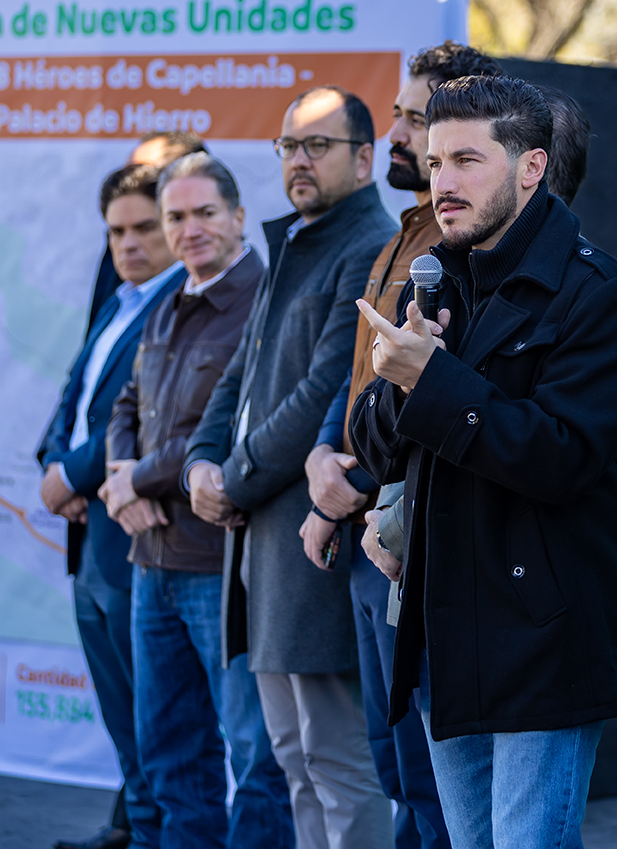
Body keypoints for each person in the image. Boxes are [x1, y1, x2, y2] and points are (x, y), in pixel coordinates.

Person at [349, 75, 617, 849]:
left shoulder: (606, 297)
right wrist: (399, 386)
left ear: (531, 167)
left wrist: (431, 381)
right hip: (445, 633)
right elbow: (375, 448)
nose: (443, 182)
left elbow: (561, 456)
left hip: (541, 641)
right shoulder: (437, 280)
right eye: (435, 162)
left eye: (467, 159)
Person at [182, 86, 396, 849]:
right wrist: (200, 465)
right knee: (293, 760)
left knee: (336, 766)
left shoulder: (370, 245)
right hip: (262, 546)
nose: (298, 161)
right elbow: (239, 377)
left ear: (364, 159)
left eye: (317, 146)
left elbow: (321, 396)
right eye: (289, 147)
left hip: (314, 545)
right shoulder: (297, 240)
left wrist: (231, 481)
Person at [303, 42, 502, 849]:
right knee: (394, 768)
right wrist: (322, 458)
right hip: (362, 529)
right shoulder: (404, 235)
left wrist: (356, 489)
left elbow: (432, 399)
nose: (397, 135)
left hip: (399, 535)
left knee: (430, 781)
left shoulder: (453, 253)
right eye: (400, 116)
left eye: (416, 121)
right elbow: (361, 373)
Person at [100, 154, 293, 849]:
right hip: (152, 564)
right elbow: (128, 402)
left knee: (256, 757)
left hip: (222, 568)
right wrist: (122, 477)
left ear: (238, 216)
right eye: (176, 217)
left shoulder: (265, 301)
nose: (191, 229)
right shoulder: (167, 302)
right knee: (170, 754)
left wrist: (138, 480)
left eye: (205, 213)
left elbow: (233, 424)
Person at [38, 164, 186, 849]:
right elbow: (75, 396)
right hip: (89, 542)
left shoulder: (180, 302)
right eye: (116, 232)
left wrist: (69, 474)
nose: (128, 244)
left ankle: (152, 833)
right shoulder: (118, 301)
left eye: (144, 228)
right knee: (124, 718)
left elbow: (151, 411)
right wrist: (53, 463)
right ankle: (134, 828)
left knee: (158, 720)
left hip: (135, 543)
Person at [87, 133, 208, 332]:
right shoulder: (121, 287)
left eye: (148, 174)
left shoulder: (202, 295)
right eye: (117, 231)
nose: (132, 181)